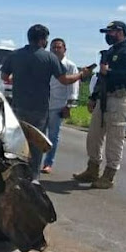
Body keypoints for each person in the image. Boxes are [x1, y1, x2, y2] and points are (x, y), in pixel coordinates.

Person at [1, 24, 90, 181]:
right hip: (39, 108)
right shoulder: (49, 58)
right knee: (36, 144)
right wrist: (81, 75)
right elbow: (64, 80)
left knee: (17, 140)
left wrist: (21, 78)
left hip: (18, 106)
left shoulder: (15, 55)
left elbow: (4, 77)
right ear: (43, 40)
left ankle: (14, 174)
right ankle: (33, 178)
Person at [73, 21, 126, 189]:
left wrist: (109, 72)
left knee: (114, 139)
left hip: (118, 99)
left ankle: (109, 175)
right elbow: (101, 78)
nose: (107, 36)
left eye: (110, 32)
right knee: (94, 136)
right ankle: (92, 169)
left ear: (120, 32)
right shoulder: (109, 52)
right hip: (103, 98)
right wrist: (93, 96)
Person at [41, 38, 79, 174]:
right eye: (53, 48)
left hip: (58, 105)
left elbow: (73, 87)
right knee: (38, 135)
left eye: (59, 47)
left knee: (53, 136)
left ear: (64, 49)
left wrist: (68, 106)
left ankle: (48, 163)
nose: (56, 50)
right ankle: (34, 161)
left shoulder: (69, 66)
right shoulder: (45, 63)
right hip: (42, 104)